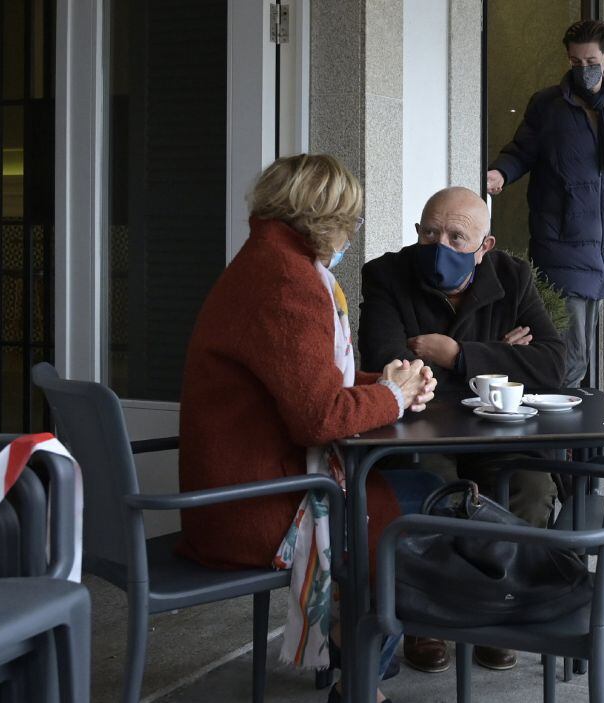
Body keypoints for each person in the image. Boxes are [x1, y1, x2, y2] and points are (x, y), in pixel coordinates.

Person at [178, 154, 439, 703]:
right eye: (352, 219)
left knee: (415, 497)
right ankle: (362, 678)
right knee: (430, 509)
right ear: (327, 217)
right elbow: (318, 417)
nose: (352, 232)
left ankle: (358, 656)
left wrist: (385, 384)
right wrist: (391, 396)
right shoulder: (288, 282)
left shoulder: (266, 262)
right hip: (258, 505)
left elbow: (305, 382)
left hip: (237, 490)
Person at [359, 186, 566, 675]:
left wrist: (455, 354)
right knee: (431, 492)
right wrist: (501, 354)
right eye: (430, 232)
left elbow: (554, 364)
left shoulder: (512, 276)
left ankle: (499, 611)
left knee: (532, 490)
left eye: (457, 237)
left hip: (498, 431)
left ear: (485, 246)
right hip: (421, 430)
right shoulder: (386, 274)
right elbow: (387, 364)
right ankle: (426, 618)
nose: (441, 246)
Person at [486, 19, 604, 389]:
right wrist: (500, 173)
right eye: (575, 63)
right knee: (566, 362)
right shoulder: (547, 105)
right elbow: (522, 151)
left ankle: (571, 444)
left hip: (599, 256)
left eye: (590, 62)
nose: (583, 70)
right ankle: (557, 444)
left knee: (580, 359)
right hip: (560, 249)